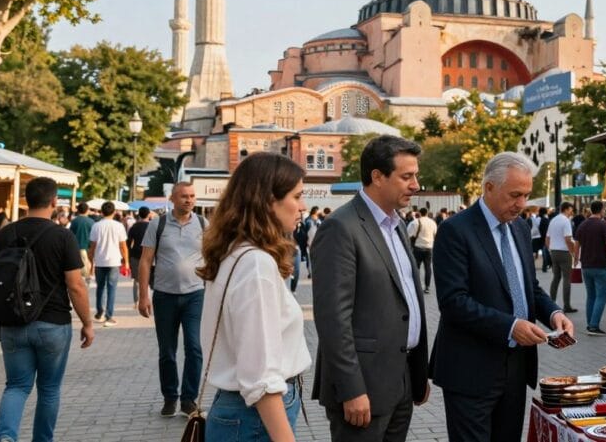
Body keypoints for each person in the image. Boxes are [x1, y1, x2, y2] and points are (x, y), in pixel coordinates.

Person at [432, 152, 574, 442]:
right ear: (489, 188)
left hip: (515, 370)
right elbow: (453, 302)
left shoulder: (520, 228)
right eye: (514, 195)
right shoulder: (455, 230)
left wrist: (553, 313)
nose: (521, 204)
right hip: (470, 370)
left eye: (526, 195)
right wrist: (511, 327)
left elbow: (530, 287)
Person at [312, 135, 429, 442]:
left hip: (400, 380)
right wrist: (352, 389)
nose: (416, 184)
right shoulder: (341, 227)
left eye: (416, 175)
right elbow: (333, 320)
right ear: (377, 177)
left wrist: (417, 374)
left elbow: (406, 301)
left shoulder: (398, 224)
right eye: (407, 176)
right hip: (363, 388)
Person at [196, 153, 311, 440]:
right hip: (256, 416)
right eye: (297, 196)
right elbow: (261, 378)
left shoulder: (235, 253)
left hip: (242, 411)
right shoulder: (255, 263)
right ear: (268, 200)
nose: (303, 207)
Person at [0, 177, 94, 442]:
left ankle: (6, 437)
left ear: (27, 199)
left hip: (12, 322)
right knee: (49, 389)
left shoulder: (4, 234)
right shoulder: (62, 235)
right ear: (54, 201)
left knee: (16, 386)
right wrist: (88, 323)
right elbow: (76, 285)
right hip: (53, 324)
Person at [137, 182, 207, 418]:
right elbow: (146, 260)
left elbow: (212, 257)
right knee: (167, 350)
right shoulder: (158, 224)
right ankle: (169, 397)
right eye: (184, 196)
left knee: (194, 347)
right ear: (173, 199)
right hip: (164, 296)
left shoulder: (203, 224)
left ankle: (188, 399)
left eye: (192, 196)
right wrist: (143, 295)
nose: (189, 200)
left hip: (195, 294)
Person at [87, 201, 130, 326]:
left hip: (100, 261)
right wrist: (126, 262)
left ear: (101, 211)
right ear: (114, 212)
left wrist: (91, 262)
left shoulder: (96, 226)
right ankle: (109, 316)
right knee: (112, 289)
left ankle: (99, 312)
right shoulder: (119, 226)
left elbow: (92, 247)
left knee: (100, 287)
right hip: (114, 261)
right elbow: (123, 246)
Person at [575, 200, 606, 336]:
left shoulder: (583, 225)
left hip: (586, 265)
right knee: (601, 296)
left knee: (590, 296)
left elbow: (577, 244)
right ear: (602, 209)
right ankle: (593, 325)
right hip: (601, 265)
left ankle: (589, 323)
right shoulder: (605, 226)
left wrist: (575, 260)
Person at [545, 202, 577, 313]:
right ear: (566, 209)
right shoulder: (566, 221)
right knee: (567, 279)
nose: (571, 212)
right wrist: (573, 252)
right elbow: (568, 239)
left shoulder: (553, 220)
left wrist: (550, 250)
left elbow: (547, 238)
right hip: (564, 252)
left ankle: (551, 302)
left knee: (556, 278)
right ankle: (566, 305)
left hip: (554, 251)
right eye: (571, 209)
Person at [407, 207, 438, 294]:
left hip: (418, 247)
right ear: (427, 213)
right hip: (429, 247)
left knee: (416, 267)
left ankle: (416, 285)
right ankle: (427, 286)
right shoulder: (432, 222)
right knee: (428, 268)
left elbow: (408, 234)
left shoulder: (416, 222)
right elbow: (435, 234)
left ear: (419, 213)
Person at [126, 206, 152, 305]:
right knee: (148, 278)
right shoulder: (152, 226)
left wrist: (128, 256)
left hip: (135, 255)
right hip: (149, 255)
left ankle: (136, 301)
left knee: (137, 279)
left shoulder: (134, 226)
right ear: (149, 214)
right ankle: (147, 299)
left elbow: (128, 242)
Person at [69, 202, 94, 287]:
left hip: (75, 247)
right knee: (87, 265)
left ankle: (82, 280)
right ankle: (86, 281)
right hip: (88, 247)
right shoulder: (91, 222)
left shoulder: (74, 221)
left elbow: (70, 234)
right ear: (87, 210)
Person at [537, 207, 551, 272]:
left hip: (539, 238)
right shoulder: (545, 219)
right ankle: (545, 266)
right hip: (544, 238)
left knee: (544, 252)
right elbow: (546, 231)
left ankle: (545, 266)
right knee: (545, 252)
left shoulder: (538, 219)